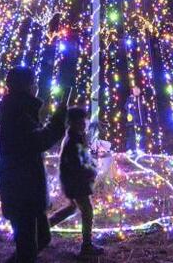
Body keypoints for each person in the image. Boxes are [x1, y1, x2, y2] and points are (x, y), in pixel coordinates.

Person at [0, 65, 66, 263]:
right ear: (26, 86)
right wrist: (58, 120)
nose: (36, 86)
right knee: (28, 246)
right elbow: (38, 141)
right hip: (21, 189)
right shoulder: (17, 112)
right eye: (33, 82)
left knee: (42, 238)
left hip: (27, 187)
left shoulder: (21, 109)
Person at [49, 107, 104, 258]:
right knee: (87, 211)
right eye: (81, 121)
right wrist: (91, 171)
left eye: (84, 120)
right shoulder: (74, 139)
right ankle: (86, 246)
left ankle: (41, 229)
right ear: (73, 122)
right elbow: (78, 163)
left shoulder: (76, 137)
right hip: (75, 182)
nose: (84, 123)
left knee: (72, 207)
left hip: (72, 181)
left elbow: (82, 159)